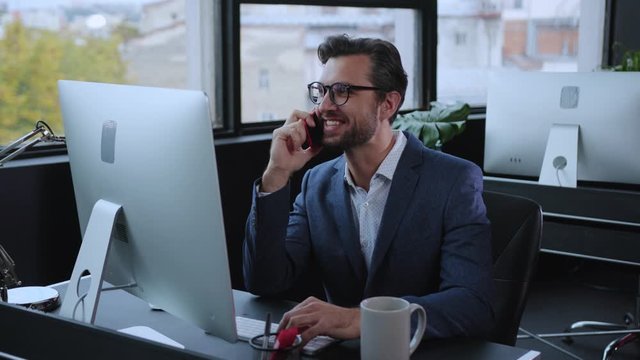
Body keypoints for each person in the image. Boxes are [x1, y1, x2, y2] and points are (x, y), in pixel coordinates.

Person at [243, 34, 494, 346]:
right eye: (321, 92)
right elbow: (265, 282)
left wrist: (355, 319)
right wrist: (277, 173)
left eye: (342, 92)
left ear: (387, 104)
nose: (323, 107)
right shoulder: (316, 183)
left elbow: (472, 303)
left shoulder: (453, 180)